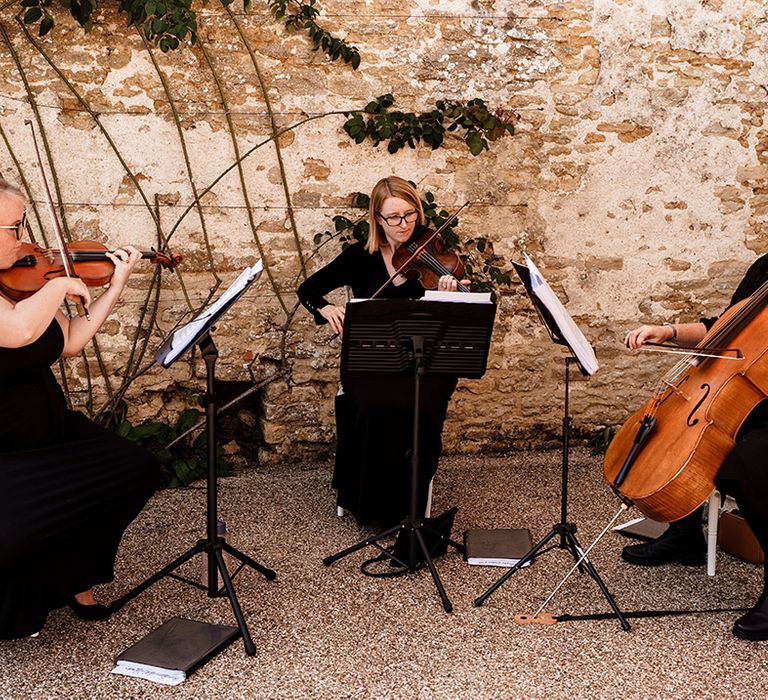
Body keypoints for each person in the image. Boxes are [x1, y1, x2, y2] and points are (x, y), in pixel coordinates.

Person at [0, 177, 159, 639]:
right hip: (5, 442)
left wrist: (117, 284)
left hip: (47, 422)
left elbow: (68, 340)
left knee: (133, 468)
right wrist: (58, 286)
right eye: (14, 225)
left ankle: (74, 576)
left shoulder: (22, 281)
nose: (25, 234)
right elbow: (17, 334)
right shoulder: (30, 293)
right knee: (14, 534)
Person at [297, 176, 466, 526]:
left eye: (410, 215)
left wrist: (449, 294)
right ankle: (374, 504)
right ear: (377, 218)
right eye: (393, 217)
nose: (404, 225)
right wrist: (325, 309)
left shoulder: (435, 255)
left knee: (424, 404)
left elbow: (457, 317)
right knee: (375, 405)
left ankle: (412, 501)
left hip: (425, 362)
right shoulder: (360, 257)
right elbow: (308, 289)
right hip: (371, 358)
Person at [622, 252, 768, 641]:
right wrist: (666, 331)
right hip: (739, 398)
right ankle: (684, 532)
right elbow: (719, 329)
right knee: (673, 433)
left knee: (746, 464)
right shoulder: (765, 268)